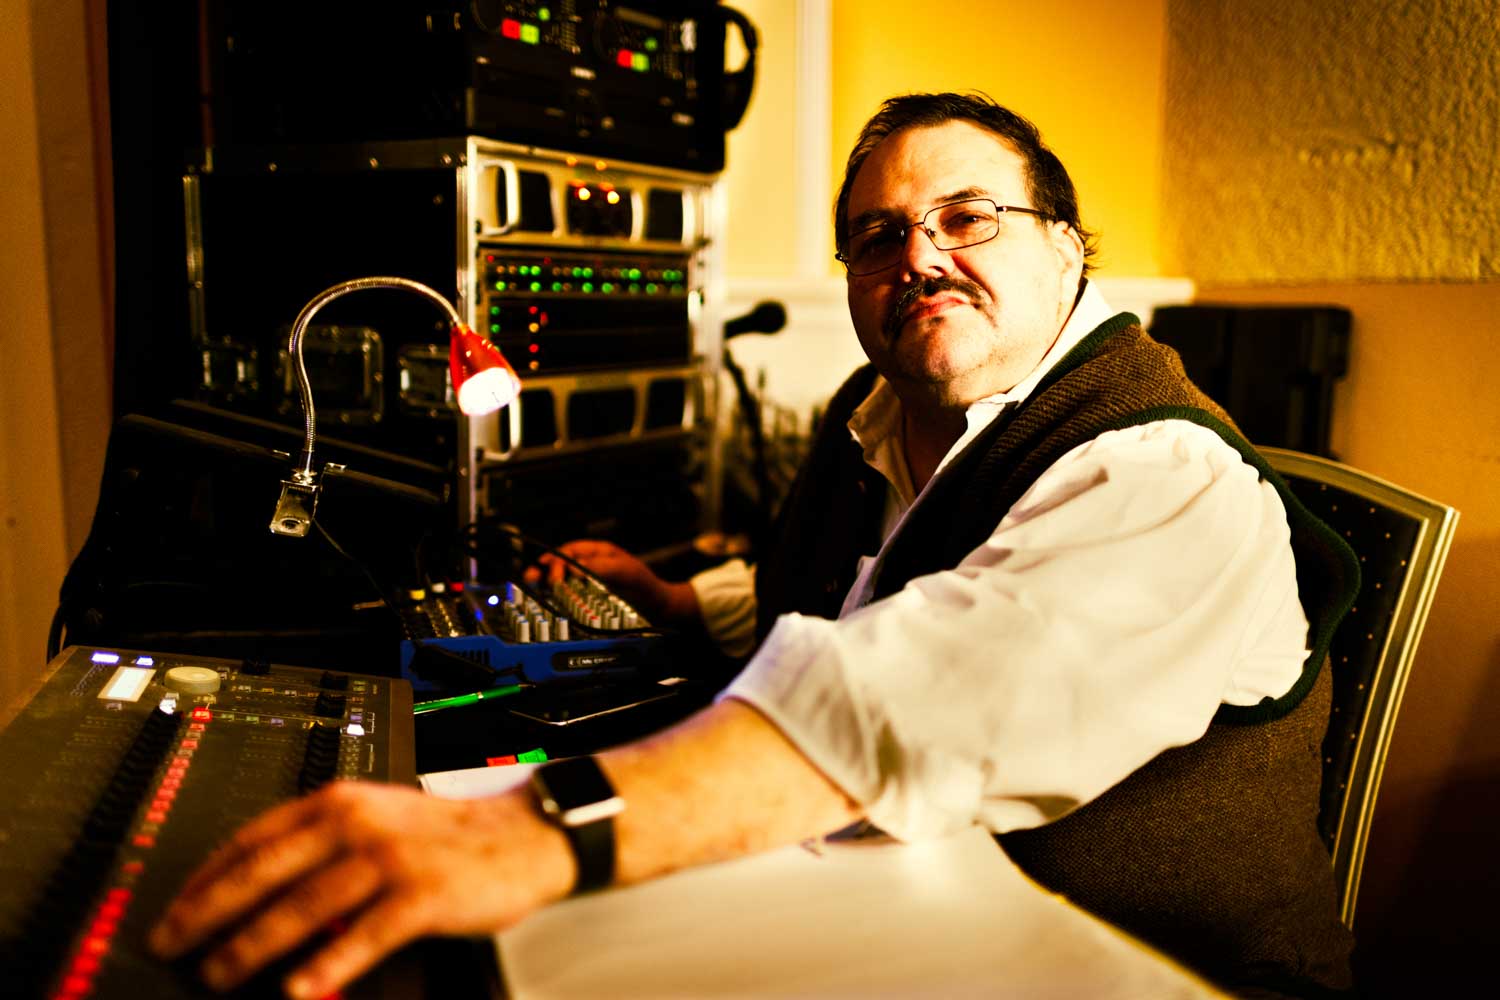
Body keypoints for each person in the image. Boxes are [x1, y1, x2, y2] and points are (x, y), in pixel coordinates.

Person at [149, 93, 1357, 998]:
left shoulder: (1161, 474)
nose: (919, 256)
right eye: (878, 237)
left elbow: (950, 680)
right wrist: (686, 606)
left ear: (1067, 247)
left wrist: (523, 831)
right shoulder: (879, 414)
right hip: (915, 919)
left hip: (1151, 968)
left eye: (967, 218)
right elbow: (865, 584)